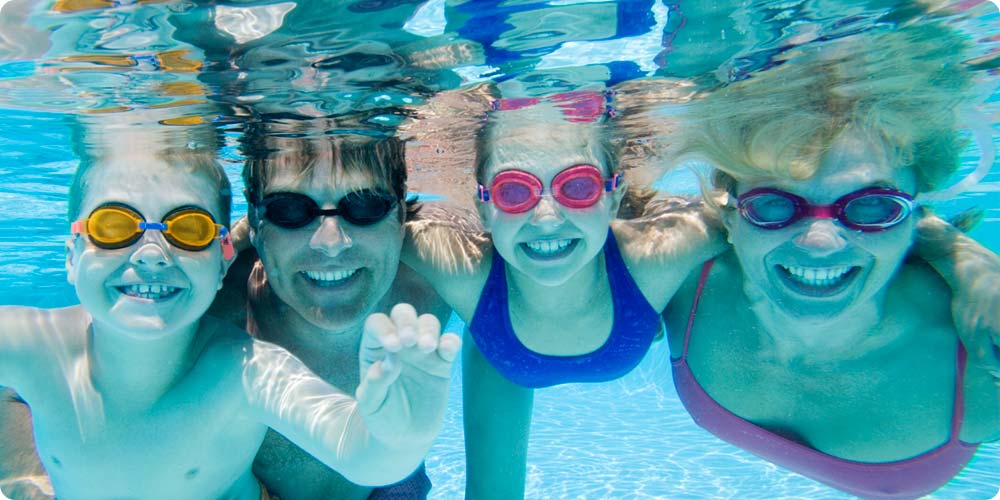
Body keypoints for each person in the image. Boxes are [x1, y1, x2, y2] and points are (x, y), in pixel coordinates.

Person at [0, 117, 460, 500]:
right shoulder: (35, 343)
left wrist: (403, 438)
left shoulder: (244, 368)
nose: (152, 253)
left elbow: (357, 448)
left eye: (189, 228)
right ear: (71, 253)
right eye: (114, 225)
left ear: (222, 257)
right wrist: (25, 482)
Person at [660, 23, 1000, 499]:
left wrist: (967, 258)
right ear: (732, 215)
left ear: (915, 214)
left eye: (871, 207)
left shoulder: (983, 360)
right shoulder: (678, 278)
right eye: (774, 205)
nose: (819, 243)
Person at [403, 91, 726, 499]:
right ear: (483, 209)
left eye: (578, 186)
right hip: (499, 346)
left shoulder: (653, 258)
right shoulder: (466, 271)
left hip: (540, 323)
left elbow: (749, 213)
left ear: (614, 196)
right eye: (514, 192)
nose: (546, 218)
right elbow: (369, 228)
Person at [214, 121, 455, 500]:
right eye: (289, 209)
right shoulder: (214, 312)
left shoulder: (440, 274)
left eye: (365, 204)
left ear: (398, 214)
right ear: (257, 222)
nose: (330, 243)